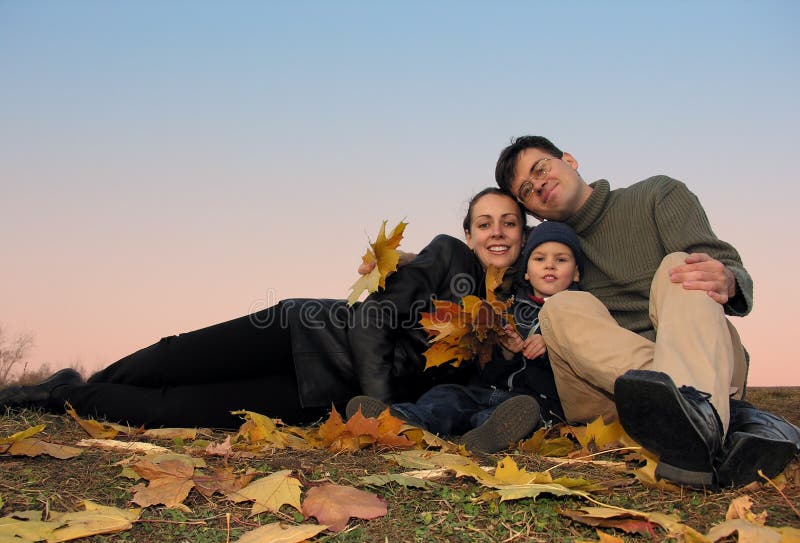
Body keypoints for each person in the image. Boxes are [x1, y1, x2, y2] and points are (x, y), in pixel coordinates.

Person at [0, 189, 525, 430]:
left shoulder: (507, 314)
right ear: (468, 233)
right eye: (485, 222)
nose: (496, 232)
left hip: (320, 397)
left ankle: (66, 395)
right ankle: (52, 390)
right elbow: (371, 319)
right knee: (169, 357)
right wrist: (381, 412)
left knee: (167, 412)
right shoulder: (448, 256)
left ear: (524, 236)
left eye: (509, 223)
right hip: (303, 333)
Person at [493, 135, 799, 488]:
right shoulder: (549, 256)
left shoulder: (656, 195)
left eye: (541, 168)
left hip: (704, 356)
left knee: (680, 265)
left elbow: (722, 265)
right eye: (527, 190)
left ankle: (694, 416)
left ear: (570, 160)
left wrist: (728, 278)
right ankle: (721, 420)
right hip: (608, 396)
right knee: (559, 305)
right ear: (533, 211)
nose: (539, 184)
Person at [347, 221, 581, 454]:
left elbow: (582, 358)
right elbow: (489, 363)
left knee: (516, 414)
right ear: (527, 272)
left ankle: (487, 435)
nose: (550, 265)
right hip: (489, 389)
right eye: (540, 259)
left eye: (561, 260)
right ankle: (402, 420)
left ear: (577, 272)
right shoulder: (506, 306)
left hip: (535, 399)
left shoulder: (578, 309)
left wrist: (551, 345)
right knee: (447, 396)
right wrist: (507, 352)